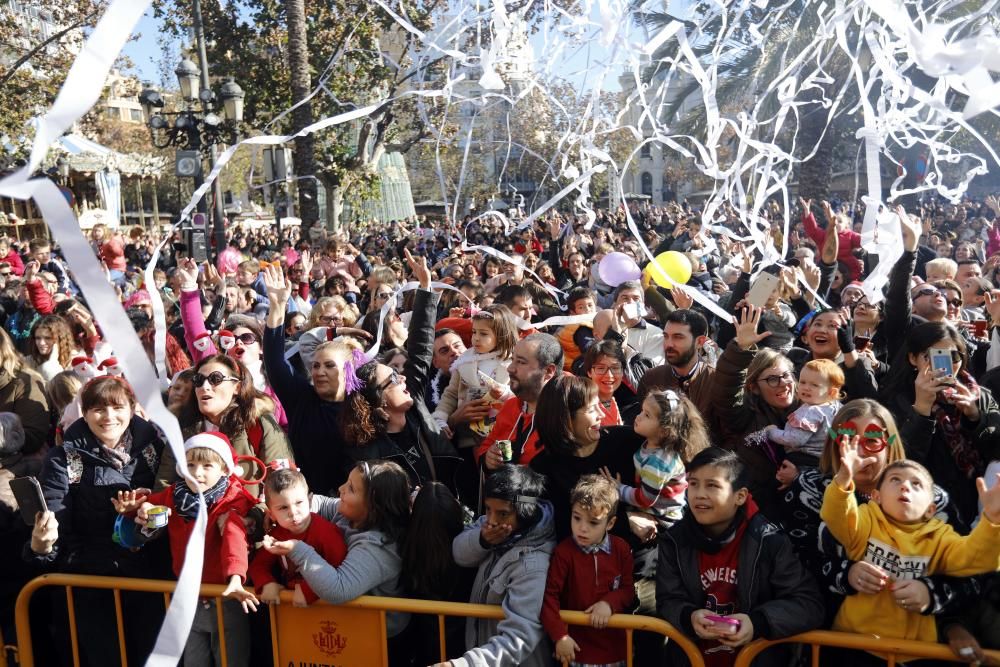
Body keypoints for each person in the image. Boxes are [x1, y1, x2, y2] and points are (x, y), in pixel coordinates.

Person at [26, 376, 166, 667]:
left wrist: (143, 517)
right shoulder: (62, 458)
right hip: (90, 584)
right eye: (98, 409)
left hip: (152, 582)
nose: (109, 417)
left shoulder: (156, 450)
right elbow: (56, 529)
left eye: (117, 407)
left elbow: (174, 506)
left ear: (132, 408)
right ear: (85, 412)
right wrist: (41, 546)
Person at [820, 441, 1000, 655]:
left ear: (930, 509)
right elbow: (836, 515)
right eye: (895, 480)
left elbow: (975, 559)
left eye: (916, 484)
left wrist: (992, 521)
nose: (905, 486)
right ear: (876, 498)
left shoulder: (940, 537)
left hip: (916, 652)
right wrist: (843, 479)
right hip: (855, 645)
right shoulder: (866, 520)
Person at [656, 447, 825, 667]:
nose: (699, 494)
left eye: (713, 485)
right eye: (694, 483)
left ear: (740, 496)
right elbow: (668, 599)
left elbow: (808, 604)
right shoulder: (674, 541)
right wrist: (689, 617)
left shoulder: (770, 541)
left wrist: (758, 623)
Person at [115, 432, 261, 666]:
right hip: (188, 597)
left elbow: (235, 538)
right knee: (194, 660)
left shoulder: (234, 500)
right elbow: (152, 505)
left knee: (231, 659)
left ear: (224, 469)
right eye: (190, 464)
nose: (197, 472)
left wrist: (236, 578)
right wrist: (133, 510)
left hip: (225, 595)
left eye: (207, 465)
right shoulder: (175, 494)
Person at [257, 460, 412, 662]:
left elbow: (338, 589)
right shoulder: (349, 513)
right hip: (348, 629)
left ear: (372, 504)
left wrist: (297, 549)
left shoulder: (379, 546)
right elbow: (317, 502)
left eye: (350, 488)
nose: (340, 489)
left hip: (379, 641)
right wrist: (281, 510)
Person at [879, 321, 1000, 521]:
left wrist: (975, 418)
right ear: (912, 358)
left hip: (981, 505)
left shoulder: (981, 395)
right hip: (927, 508)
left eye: (953, 356)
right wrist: (921, 411)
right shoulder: (894, 400)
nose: (943, 364)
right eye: (931, 356)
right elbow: (898, 462)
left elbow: (996, 450)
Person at [442, 464, 555, 667]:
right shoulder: (489, 527)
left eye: (502, 514)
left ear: (525, 513)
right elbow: (458, 553)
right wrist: (482, 541)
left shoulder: (534, 565)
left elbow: (518, 638)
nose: (491, 521)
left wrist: (464, 665)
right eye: (487, 510)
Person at [154, 354, 293, 492]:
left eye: (215, 379)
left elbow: (283, 485)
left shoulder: (260, 423)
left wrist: (255, 513)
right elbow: (164, 484)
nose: (204, 386)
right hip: (193, 512)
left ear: (237, 388)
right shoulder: (183, 427)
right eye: (198, 380)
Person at [541, 475, 635, 667]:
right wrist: (560, 636)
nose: (582, 528)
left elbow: (628, 590)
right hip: (575, 651)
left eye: (593, 522)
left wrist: (609, 604)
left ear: (610, 523)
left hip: (615, 651)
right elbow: (549, 597)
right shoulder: (564, 552)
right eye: (576, 518)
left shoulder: (621, 549)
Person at [249, 468, 347, 606]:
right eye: (283, 508)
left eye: (299, 503)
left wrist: (308, 591)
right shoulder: (277, 535)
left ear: (310, 500)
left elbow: (341, 569)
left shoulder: (325, 532)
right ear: (271, 514)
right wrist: (267, 583)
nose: (293, 513)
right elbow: (258, 564)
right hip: (293, 609)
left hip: (329, 606)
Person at [612, 390, 710, 525]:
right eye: (641, 411)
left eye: (647, 415)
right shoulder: (650, 445)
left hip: (664, 520)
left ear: (664, 430)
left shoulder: (658, 462)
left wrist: (619, 489)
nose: (638, 417)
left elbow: (645, 499)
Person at [432, 305, 518, 447]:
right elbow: (451, 394)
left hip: (506, 433)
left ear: (502, 334)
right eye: (474, 332)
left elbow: (526, 395)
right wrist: (440, 418)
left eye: (483, 334)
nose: (476, 338)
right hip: (470, 437)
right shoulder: (464, 360)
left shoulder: (514, 360)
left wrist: (505, 393)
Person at [476, 332, 563, 469]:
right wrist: (488, 458)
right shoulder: (511, 406)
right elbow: (486, 446)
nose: (510, 368)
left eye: (521, 362)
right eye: (512, 360)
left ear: (548, 371)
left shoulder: (566, 414)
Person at [637, 309, 717, 433]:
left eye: (678, 337)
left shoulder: (716, 381)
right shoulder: (651, 378)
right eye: (666, 336)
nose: (669, 344)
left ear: (699, 342)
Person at [765, 358, 844, 468]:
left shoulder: (811, 411)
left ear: (832, 392)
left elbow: (794, 440)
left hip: (804, 459)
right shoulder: (837, 407)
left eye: (814, 385)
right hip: (828, 460)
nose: (806, 388)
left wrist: (772, 432)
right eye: (802, 382)